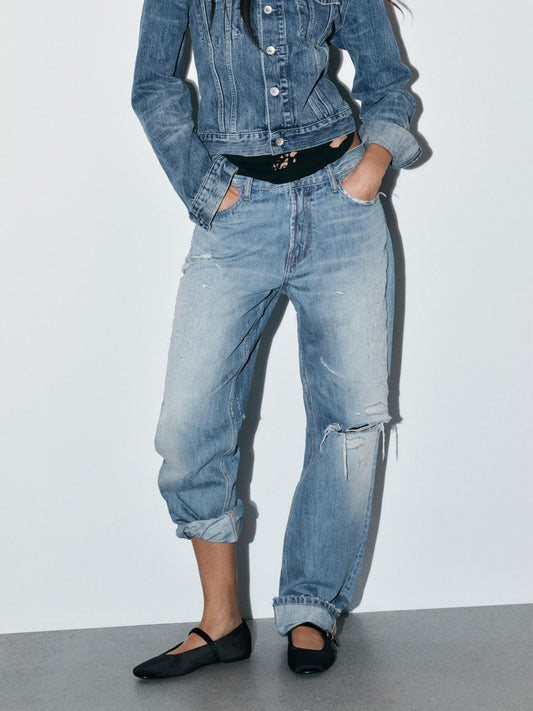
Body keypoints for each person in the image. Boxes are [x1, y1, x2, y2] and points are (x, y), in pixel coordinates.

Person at [130, 0, 421, 678]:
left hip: (340, 205)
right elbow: (153, 85)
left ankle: (312, 606)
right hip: (236, 214)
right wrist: (205, 186)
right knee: (187, 426)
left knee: (349, 420)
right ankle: (221, 621)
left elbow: (388, 82)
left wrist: (371, 167)